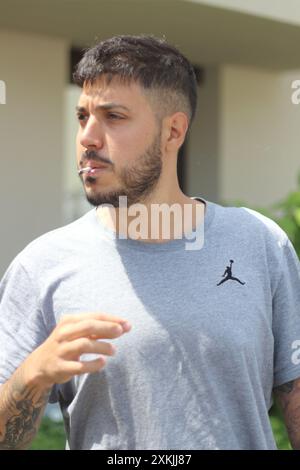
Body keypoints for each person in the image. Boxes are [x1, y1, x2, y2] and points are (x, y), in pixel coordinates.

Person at [0, 34, 300, 451]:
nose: (88, 137)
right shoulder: (42, 265)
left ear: (173, 131)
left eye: (114, 116)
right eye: (82, 115)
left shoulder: (260, 243)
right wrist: (31, 375)